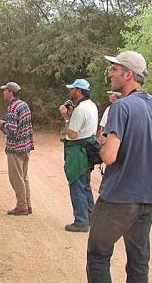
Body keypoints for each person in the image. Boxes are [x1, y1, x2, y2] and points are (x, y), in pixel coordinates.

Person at [87, 51, 152, 283]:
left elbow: (109, 156)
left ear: (128, 75)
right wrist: (143, 147)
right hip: (148, 198)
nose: (110, 74)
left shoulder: (121, 107)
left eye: (114, 69)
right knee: (138, 262)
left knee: (98, 256)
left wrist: (98, 148)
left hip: (119, 197)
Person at [59, 79, 98, 232]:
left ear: (78, 91)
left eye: (73, 89)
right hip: (87, 148)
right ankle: (90, 217)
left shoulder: (81, 109)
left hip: (77, 150)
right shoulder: (91, 106)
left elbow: (72, 133)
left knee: (76, 185)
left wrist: (66, 117)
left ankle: (81, 221)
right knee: (85, 185)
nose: (70, 92)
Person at [0, 82, 34, 215]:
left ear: (10, 92)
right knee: (24, 177)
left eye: (5, 90)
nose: (3, 93)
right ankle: (27, 204)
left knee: (16, 178)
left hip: (15, 148)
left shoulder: (13, 107)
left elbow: (12, 130)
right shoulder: (24, 105)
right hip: (25, 146)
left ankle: (22, 206)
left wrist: (3, 125)